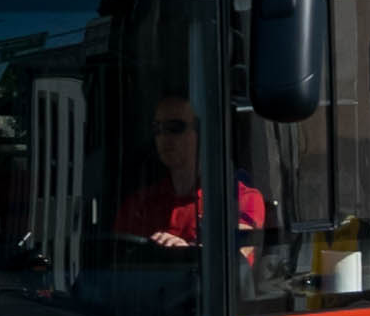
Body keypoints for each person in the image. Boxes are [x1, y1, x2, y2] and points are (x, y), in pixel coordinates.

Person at [109, 96, 269, 251]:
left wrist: (186, 254)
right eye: (157, 129)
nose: (164, 137)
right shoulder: (138, 205)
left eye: (175, 128)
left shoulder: (240, 199)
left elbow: (237, 254)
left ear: (203, 133)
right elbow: (116, 261)